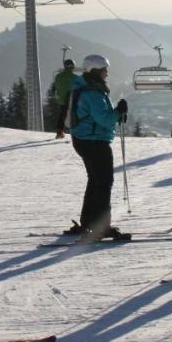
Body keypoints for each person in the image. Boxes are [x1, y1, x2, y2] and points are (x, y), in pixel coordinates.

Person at [67, 54, 130, 242]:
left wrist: (117, 114)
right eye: (104, 70)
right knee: (103, 183)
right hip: (95, 142)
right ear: (95, 71)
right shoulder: (93, 93)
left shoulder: (86, 88)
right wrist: (118, 111)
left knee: (95, 181)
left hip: (85, 140)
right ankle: (100, 228)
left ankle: (88, 224)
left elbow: (100, 117)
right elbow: (103, 119)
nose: (107, 73)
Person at [52, 59, 78, 139]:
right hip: (72, 99)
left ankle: (59, 132)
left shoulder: (58, 76)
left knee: (62, 115)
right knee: (75, 115)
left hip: (62, 100)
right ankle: (76, 133)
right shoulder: (76, 78)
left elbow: (54, 88)